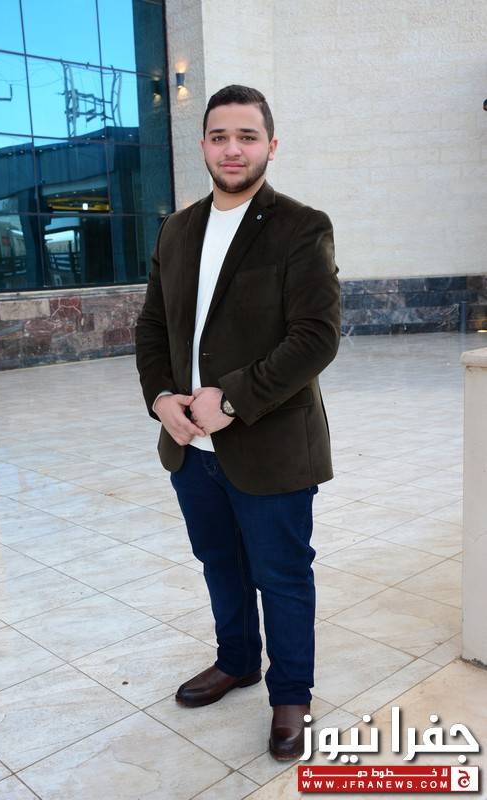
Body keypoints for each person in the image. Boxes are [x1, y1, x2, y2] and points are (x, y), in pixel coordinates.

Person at [135, 84, 341, 761]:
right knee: (218, 561)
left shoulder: (300, 226)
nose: (232, 149)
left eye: (246, 136)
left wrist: (229, 400)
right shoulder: (176, 229)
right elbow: (153, 326)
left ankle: (291, 695)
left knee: (281, 574)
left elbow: (315, 338)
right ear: (202, 146)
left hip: (270, 443)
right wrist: (162, 398)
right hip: (189, 445)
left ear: (270, 146)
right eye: (219, 136)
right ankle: (236, 661)